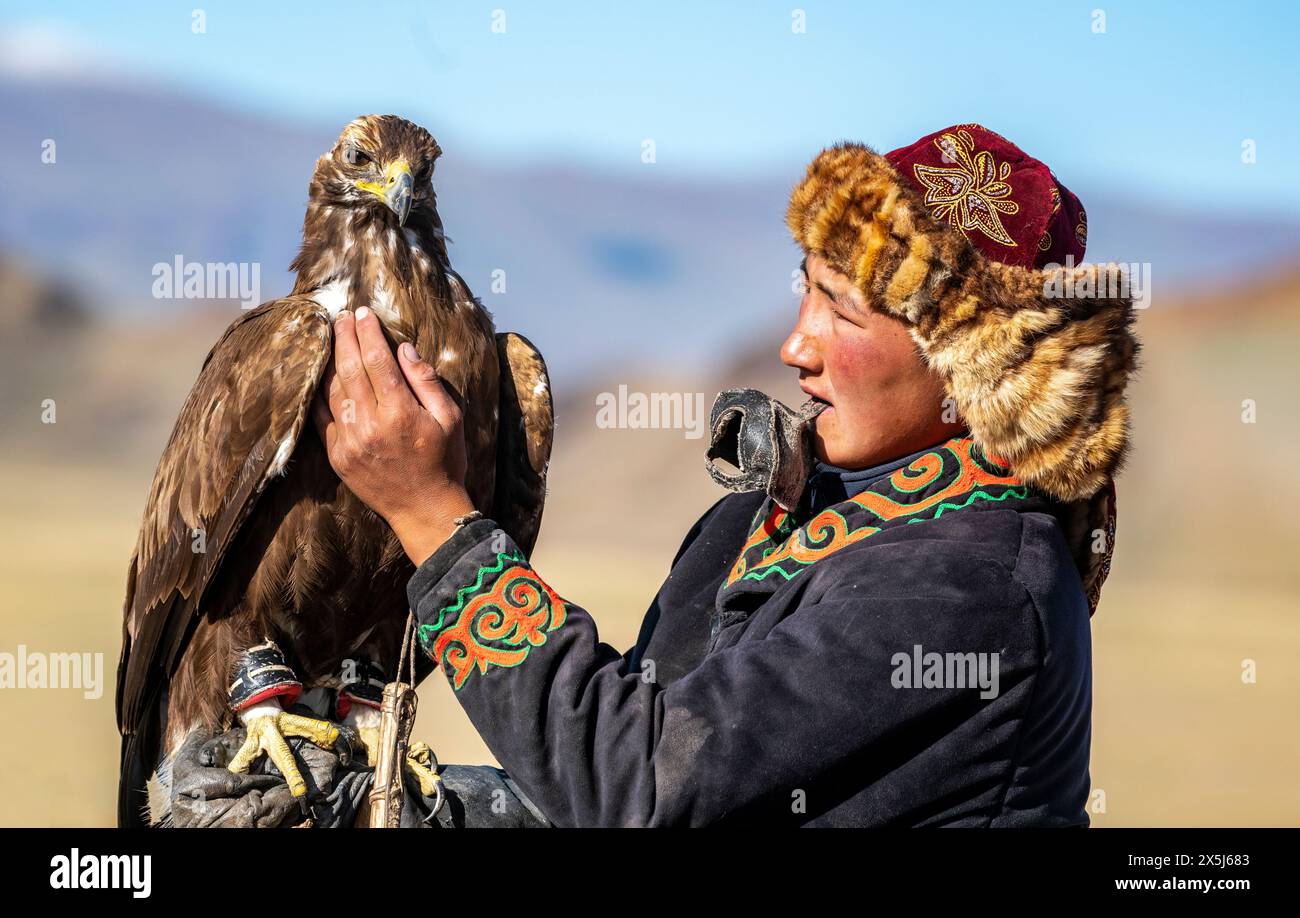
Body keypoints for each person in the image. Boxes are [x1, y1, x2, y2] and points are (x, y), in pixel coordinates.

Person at [302, 124, 1137, 827]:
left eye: (841, 310)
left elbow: (646, 786)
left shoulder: (973, 590)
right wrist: (426, 809)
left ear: (973, 367)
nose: (795, 346)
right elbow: (611, 768)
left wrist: (434, 521)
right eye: (805, 291)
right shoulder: (760, 520)